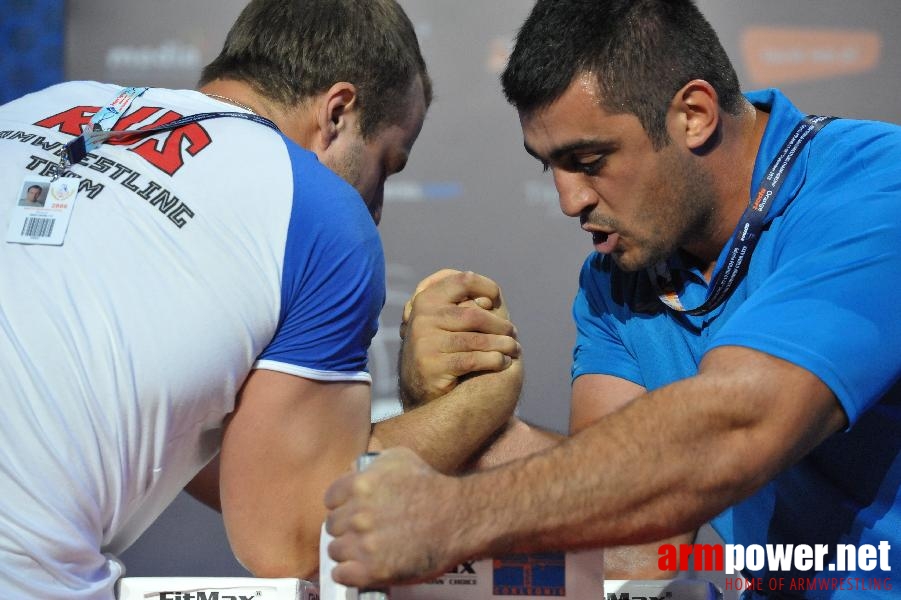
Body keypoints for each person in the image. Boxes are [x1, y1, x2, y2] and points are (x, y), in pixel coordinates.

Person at [323, 0, 901, 597]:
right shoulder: (617, 275)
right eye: (551, 167)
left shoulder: (876, 189)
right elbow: (626, 523)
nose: (570, 200)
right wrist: (457, 402)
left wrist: (456, 515)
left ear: (694, 114)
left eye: (589, 161)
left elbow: (738, 426)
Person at [0, 1, 522, 598]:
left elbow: (163, 434)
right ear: (338, 112)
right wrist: (483, 396)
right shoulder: (322, 210)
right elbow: (291, 537)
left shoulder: (38, 108)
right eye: (387, 166)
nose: (375, 210)